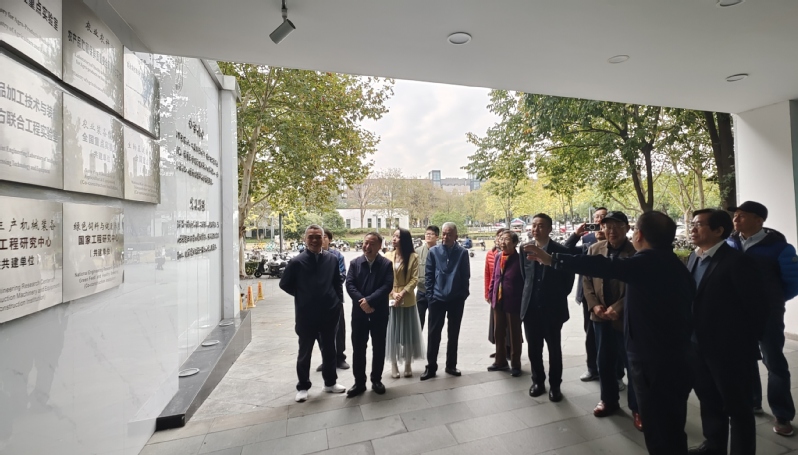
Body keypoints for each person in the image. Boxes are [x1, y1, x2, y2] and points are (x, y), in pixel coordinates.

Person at [525, 211, 695, 455]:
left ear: (638, 234)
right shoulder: (673, 264)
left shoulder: (647, 261)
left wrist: (553, 259)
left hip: (653, 360)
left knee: (659, 427)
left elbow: (603, 266)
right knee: (671, 424)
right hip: (673, 356)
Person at [688, 209, 767, 455]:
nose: (692, 229)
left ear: (718, 230)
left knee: (738, 408)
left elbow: (757, 308)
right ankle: (714, 446)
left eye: (699, 224)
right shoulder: (693, 257)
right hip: (698, 345)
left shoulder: (738, 261)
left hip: (730, 351)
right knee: (709, 400)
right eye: (692, 224)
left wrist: (741, 345)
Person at [726, 201, 798, 437]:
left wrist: (772, 301)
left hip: (768, 314)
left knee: (774, 362)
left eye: (742, 215)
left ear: (759, 220)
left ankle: (782, 414)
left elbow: (792, 283)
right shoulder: (729, 243)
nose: (736, 219)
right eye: (735, 215)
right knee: (744, 359)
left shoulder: (780, 248)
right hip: (737, 314)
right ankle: (753, 402)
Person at [581, 212, 640, 430]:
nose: (611, 230)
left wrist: (620, 306)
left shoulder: (635, 252)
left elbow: (638, 285)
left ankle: (637, 408)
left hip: (626, 318)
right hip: (600, 316)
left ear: (627, 228)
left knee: (632, 364)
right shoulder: (594, 250)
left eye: (617, 226)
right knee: (603, 361)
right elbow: (586, 280)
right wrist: (594, 304)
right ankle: (608, 400)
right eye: (607, 226)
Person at [279, 224, 347, 402]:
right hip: (306, 315)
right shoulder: (297, 262)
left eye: (318, 236)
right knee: (305, 352)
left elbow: (337, 283)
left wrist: (337, 301)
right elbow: (284, 284)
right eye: (311, 237)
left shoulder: (331, 259)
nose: (315, 240)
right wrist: (303, 295)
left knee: (330, 350)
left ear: (324, 238)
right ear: (305, 239)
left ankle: (330, 383)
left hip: (329, 313)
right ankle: (303, 386)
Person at [519, 213, 575, 402]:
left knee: (554, 349)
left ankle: (555, 385)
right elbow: (525, 276)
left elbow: (568, 280)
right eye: (534, 225)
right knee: (534, 348)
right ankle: (538, 382)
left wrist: (555, 296)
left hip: (552, 309)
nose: (536, 229)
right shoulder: (524, 249)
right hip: (531, 308)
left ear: (550, 229)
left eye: (541, 225)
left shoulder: (561, 250)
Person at [344, 232, 394, 397]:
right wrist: (363, 303)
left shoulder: (386, 264)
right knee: (358, 348)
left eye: (372, 244)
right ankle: (359, 383)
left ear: (379, 246)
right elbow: (350, 285)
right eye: (366, 243)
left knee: (379, 347)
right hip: (359, 314)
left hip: (379, 313)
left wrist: (370, 301)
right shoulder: (355, 263)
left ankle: (376, 380)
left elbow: (387, 286)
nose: (367, 246)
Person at [421, 222, 470, 380]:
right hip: (437, 298)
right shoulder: (434, 252)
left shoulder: (462, 253)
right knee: (433, 334)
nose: (445, 237)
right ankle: (431, 366)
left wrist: (463, 294)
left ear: (456, 236)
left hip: (456, 299)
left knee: (453, 333)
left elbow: (465, 275)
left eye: (449, 234)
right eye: (443, 233)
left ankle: (451, 365)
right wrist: (430, 295)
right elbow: (428, 275)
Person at [564, 207, 607, 382]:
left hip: (610, 295)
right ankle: (592, 368)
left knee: (611, 335)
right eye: (596, 217)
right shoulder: (588, 239)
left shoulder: (616, 240)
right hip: (588, 295)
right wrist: (576, 235)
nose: (599, 220)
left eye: (603, 217)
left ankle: (614, 372)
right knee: (590, 333)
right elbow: (566, 250)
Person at [385, 228, 425, 378]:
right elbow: (384, 278)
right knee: (393, 332)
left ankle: (408, 363)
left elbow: (414, 279)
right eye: (393, 236)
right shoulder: (388, 256)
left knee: (408, 332)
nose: (394, 239)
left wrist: (402, 293)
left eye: (397, 236)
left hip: (407, 298)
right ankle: (394, 364)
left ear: (405, 240)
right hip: (391, 297)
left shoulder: (413, 257)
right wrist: (393, 293)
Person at [487, 230, 524, 377]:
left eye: (506, 239)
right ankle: (500, 361)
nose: (502, 242)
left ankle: (516, 364)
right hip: (498, 299)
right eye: (501, 239)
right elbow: (494, 277)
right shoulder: (498, 256)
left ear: (515, 243)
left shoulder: (520, 259)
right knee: (498, 332)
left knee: (514, 334)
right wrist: (491, 293)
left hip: (513, 300)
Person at [315, 228, 350, 372]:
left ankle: (340, 357)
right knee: (321, 331)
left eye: (324, 237)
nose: (321, 240)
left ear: (329, 240)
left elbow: (341, 276)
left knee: (339, 328)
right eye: (319, 237)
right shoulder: (312, 255)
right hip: (318, 300)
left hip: (335, 298)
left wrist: (324, 282)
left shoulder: (337, 256)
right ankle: (327, 359)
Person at [486, 228, 510, 359]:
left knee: (510, 325)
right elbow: (488, 274)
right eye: (499, 236)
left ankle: (510, 350)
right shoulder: (492, 254)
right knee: (496, 324)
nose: (500, 239)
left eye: (503, 237)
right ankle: (500, 350)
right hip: (495, 293)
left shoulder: (513, 255)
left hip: (509, 296)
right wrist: (488, 293)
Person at [415, 225, 439, 329]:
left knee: (434, 322)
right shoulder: (417, 251)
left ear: (437, 237)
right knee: (418, 322)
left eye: (431, 234)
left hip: (435, 292)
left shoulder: (440, 252)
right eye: (427, 234)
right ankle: (417, 340)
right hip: (421, 291)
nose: (428, 236)